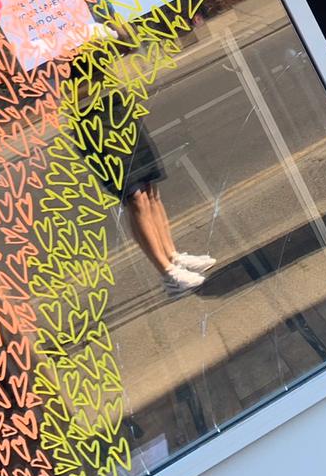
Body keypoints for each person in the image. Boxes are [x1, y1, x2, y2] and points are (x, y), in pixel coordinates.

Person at [66, 22, 215, 296]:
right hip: (92, 121)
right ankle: (168, 274)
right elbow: (61, 87)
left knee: (149, 189)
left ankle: (173, 256)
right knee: (133, 195)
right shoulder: (43, 44)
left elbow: (129, 43)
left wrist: (109, 19)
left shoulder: (90, 23)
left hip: (119, 107)